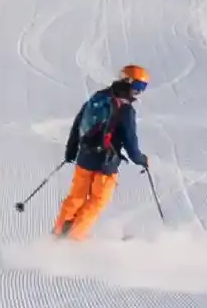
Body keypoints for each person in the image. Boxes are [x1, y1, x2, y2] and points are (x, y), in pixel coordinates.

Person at [50, 64, 151, 240]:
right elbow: (130, 143)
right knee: (97, 201)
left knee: (76, 196)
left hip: (84, 157)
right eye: (138, 87)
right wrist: (141, 160)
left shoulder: (99, 97)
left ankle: (59, 232)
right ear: (128, 83)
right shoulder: (126, 110)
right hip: (105, 164)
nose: (138, 93)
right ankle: (74, 238)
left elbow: (78, 123)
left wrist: (71, 150)